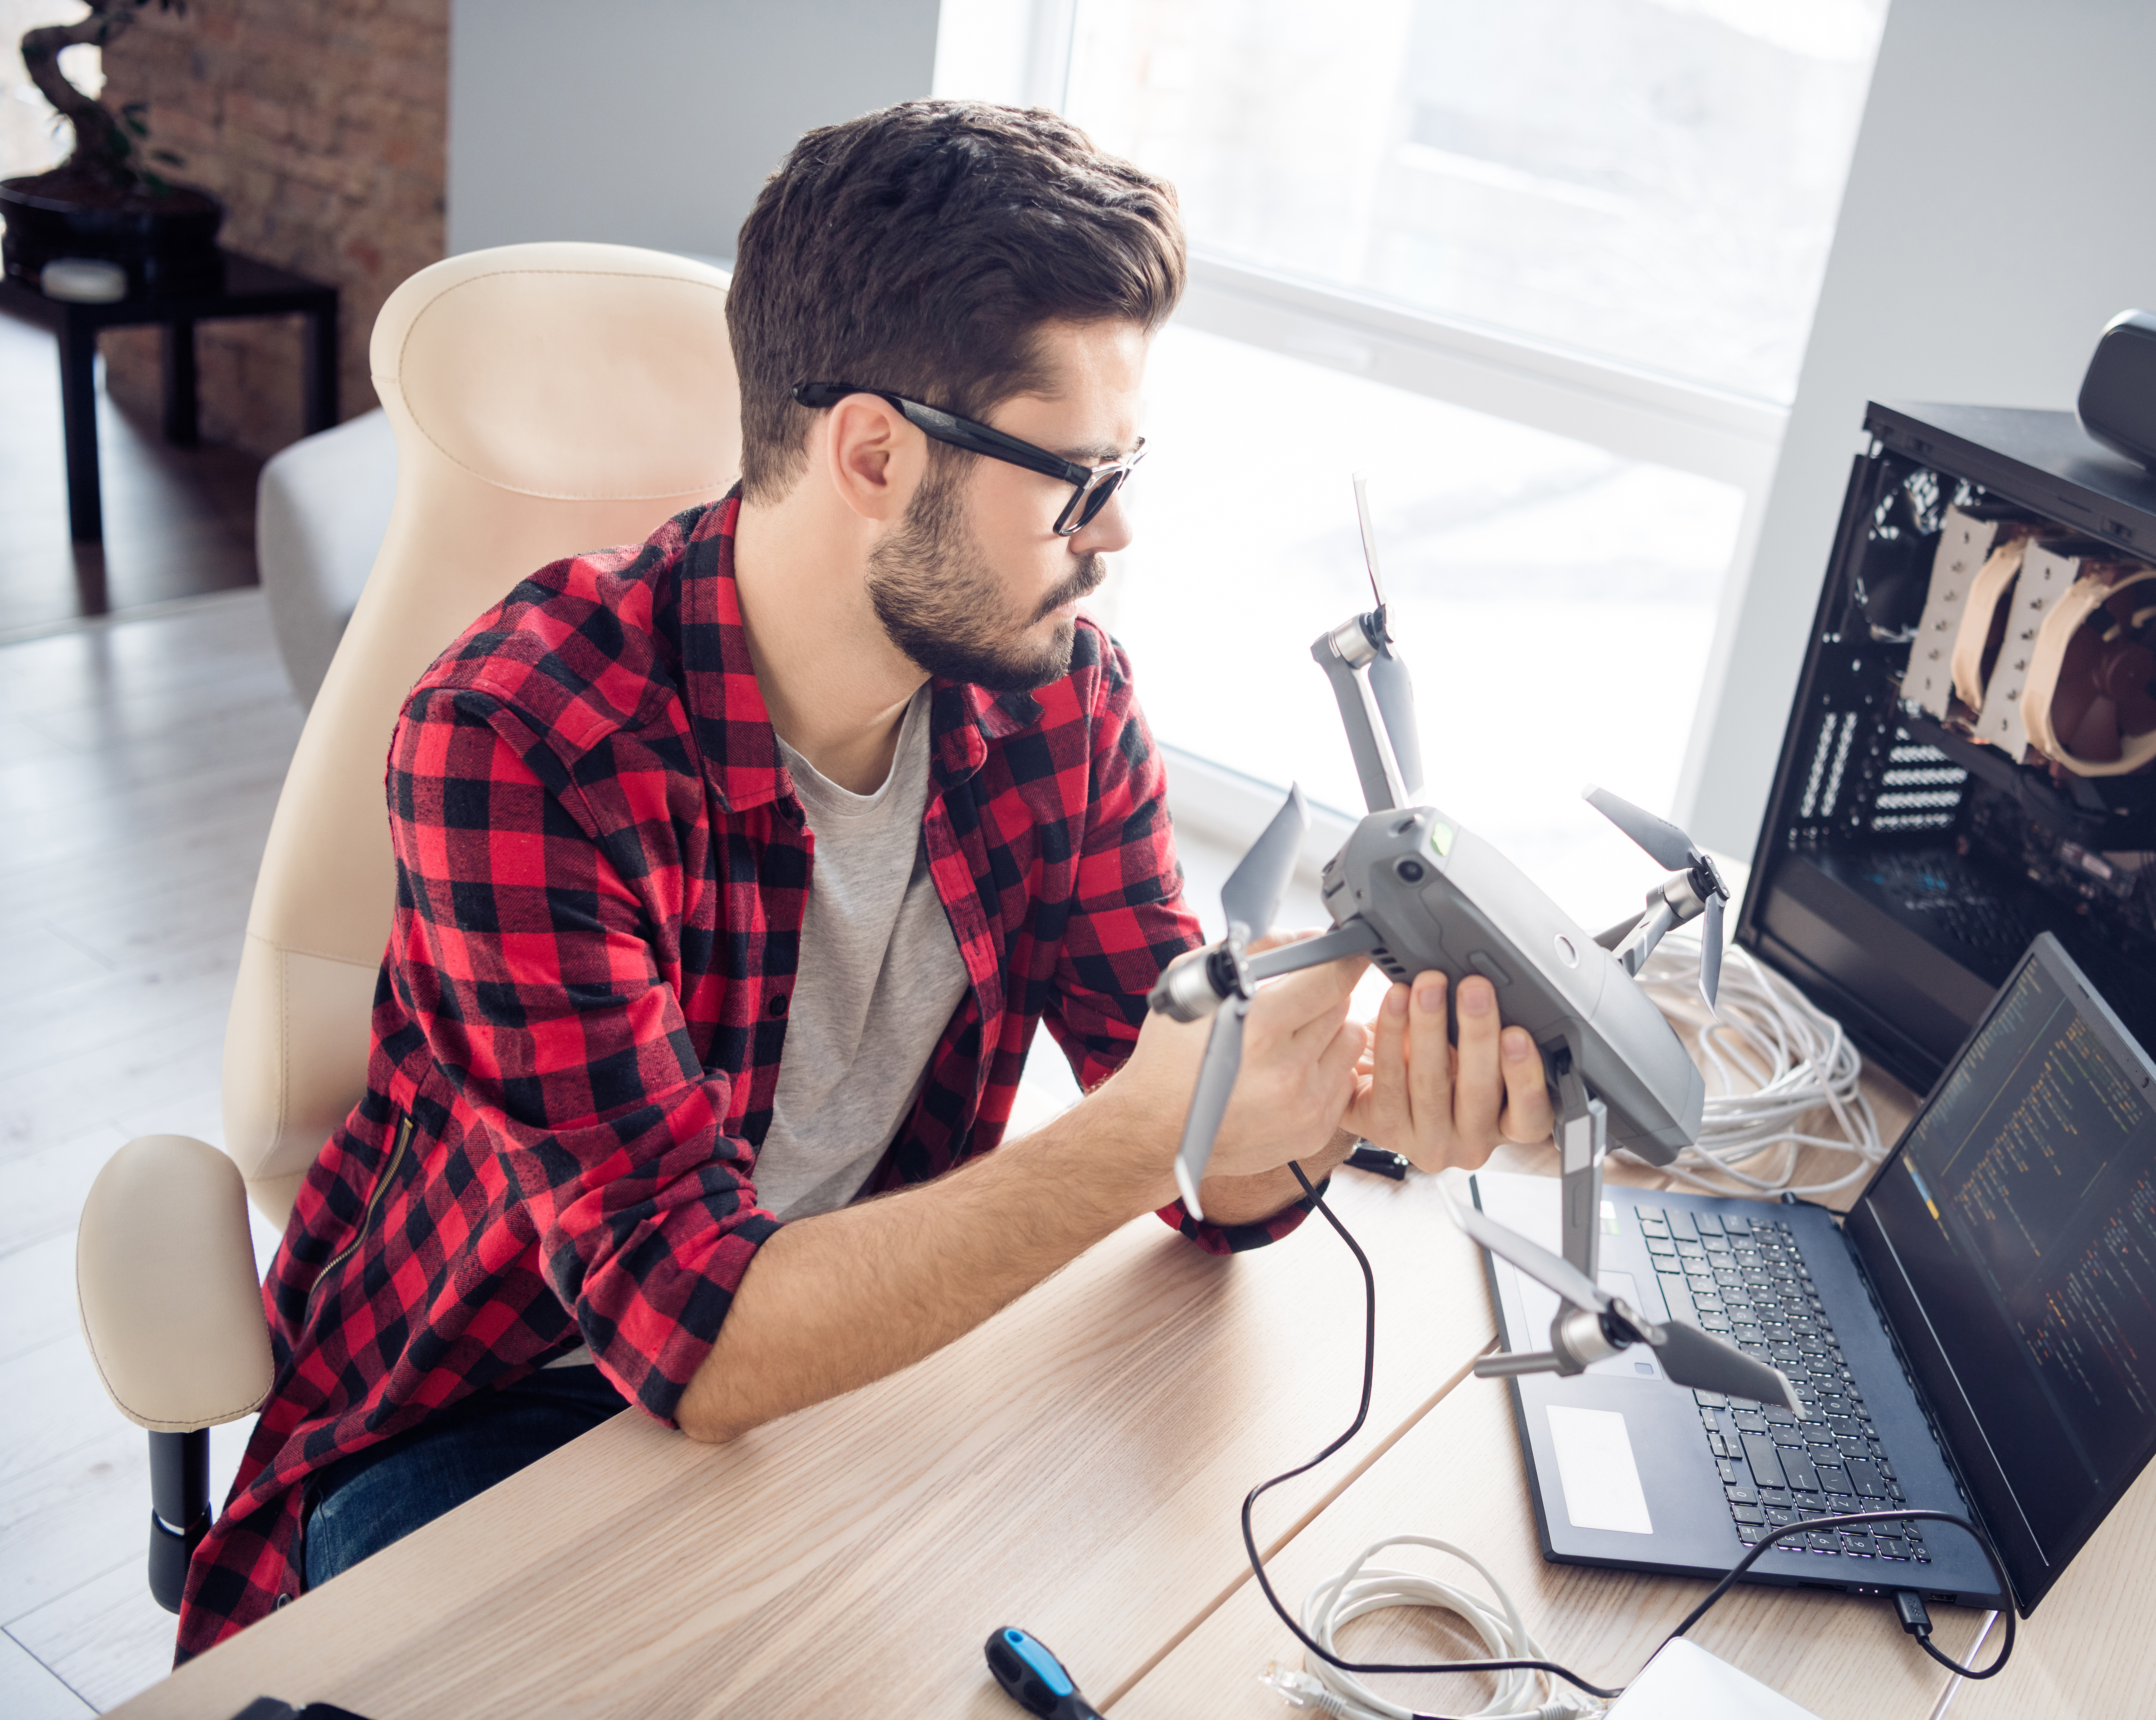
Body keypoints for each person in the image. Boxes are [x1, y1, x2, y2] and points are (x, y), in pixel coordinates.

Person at [175, 100, 1555, 1658]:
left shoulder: (1062, 702)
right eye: (1079, 480)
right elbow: (688, 1336)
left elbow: (1205, 1163)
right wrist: (1151, 1128)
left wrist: (1324, 1101)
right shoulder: (522, 737)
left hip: (842, 1369)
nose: (1122, 532)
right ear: (878, 453)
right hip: (486, 1406)